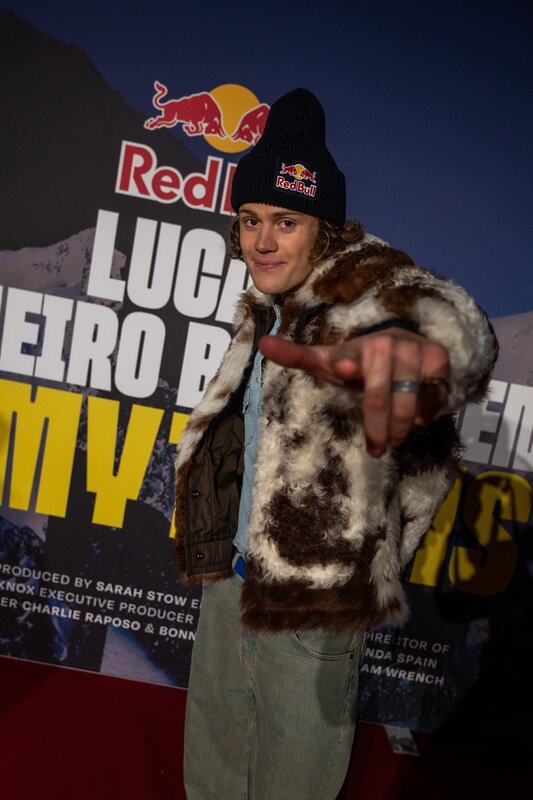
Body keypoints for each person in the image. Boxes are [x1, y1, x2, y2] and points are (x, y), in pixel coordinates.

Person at [173, 88, 497, 799]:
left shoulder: (367, 298)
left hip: (313, 612)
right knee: (213, 771)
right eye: (250, 220)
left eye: (285, 222)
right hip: (230, 583)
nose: (262, 241)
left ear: (323, 229)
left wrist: (425, 355)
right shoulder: (268, 307)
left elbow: (453, 339)